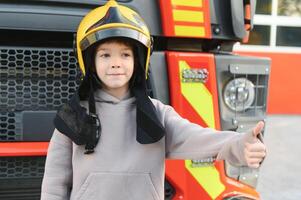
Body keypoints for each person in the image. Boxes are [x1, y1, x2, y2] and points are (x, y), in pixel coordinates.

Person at [41, 1, 266, 200]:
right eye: (105, 55)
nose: (116, 63)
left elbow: (198, 138)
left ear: (139, 60)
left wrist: (238, 144)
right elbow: (55, 179)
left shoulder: (157, 114)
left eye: (125, 54)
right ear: (89, 62)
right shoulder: (73, 116)